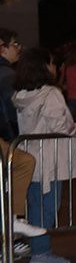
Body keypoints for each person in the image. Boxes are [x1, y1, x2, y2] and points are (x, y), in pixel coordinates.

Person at [10, 48, 76, 263]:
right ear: (44, 67)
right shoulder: (50, 93)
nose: (56, 68)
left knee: (35, 204)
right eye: (52, 64)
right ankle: (41, 252)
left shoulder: (21, 95)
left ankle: (37, 249)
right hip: (51, 156)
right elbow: (61, 125)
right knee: (48, 206)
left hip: (30, 154)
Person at [0, 27, 46, 250]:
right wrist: (14, 137)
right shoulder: (7, 75)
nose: (18, 48)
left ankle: (12, 224)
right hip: (5, 136)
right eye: (15, 44)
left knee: (22, 162)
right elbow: (10, 111)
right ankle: (11, 223)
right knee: (22, 162)